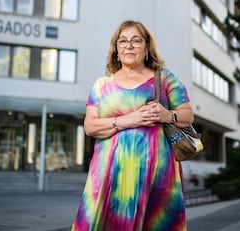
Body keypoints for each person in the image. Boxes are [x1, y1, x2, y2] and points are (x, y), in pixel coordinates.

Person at [71, 20, 194, 231]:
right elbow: (90, 126)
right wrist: (129, 120)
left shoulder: (163, 78)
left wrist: (167, 115)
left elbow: (188, 115)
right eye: (123, 41)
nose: (129, 45)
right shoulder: (102, 85)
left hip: (157, 177)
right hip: (108, 176)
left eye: (136, 41)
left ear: (146, 48)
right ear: (116, 49)